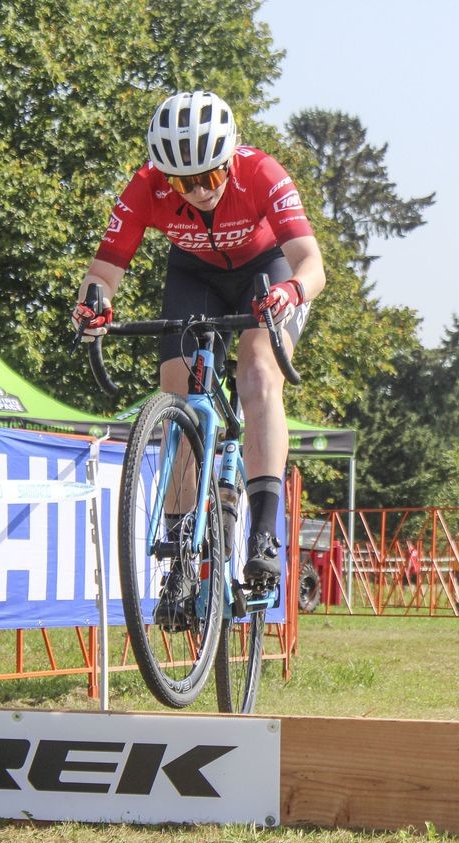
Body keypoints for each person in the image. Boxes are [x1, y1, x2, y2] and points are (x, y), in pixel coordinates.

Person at [72, 90, 326, 618]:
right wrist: (93, 307)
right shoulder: (144, 186)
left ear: (230, 158)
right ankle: (180, 552)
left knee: (258, 372)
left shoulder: (261, 173)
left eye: (211, 177)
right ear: (163, 175)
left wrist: (290, 293)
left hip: (266, 270)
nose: (202, 192)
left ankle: (263, 530)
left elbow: (311, 264)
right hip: (194, 275)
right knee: (178, 391)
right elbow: (102, 275)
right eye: (185, 183)